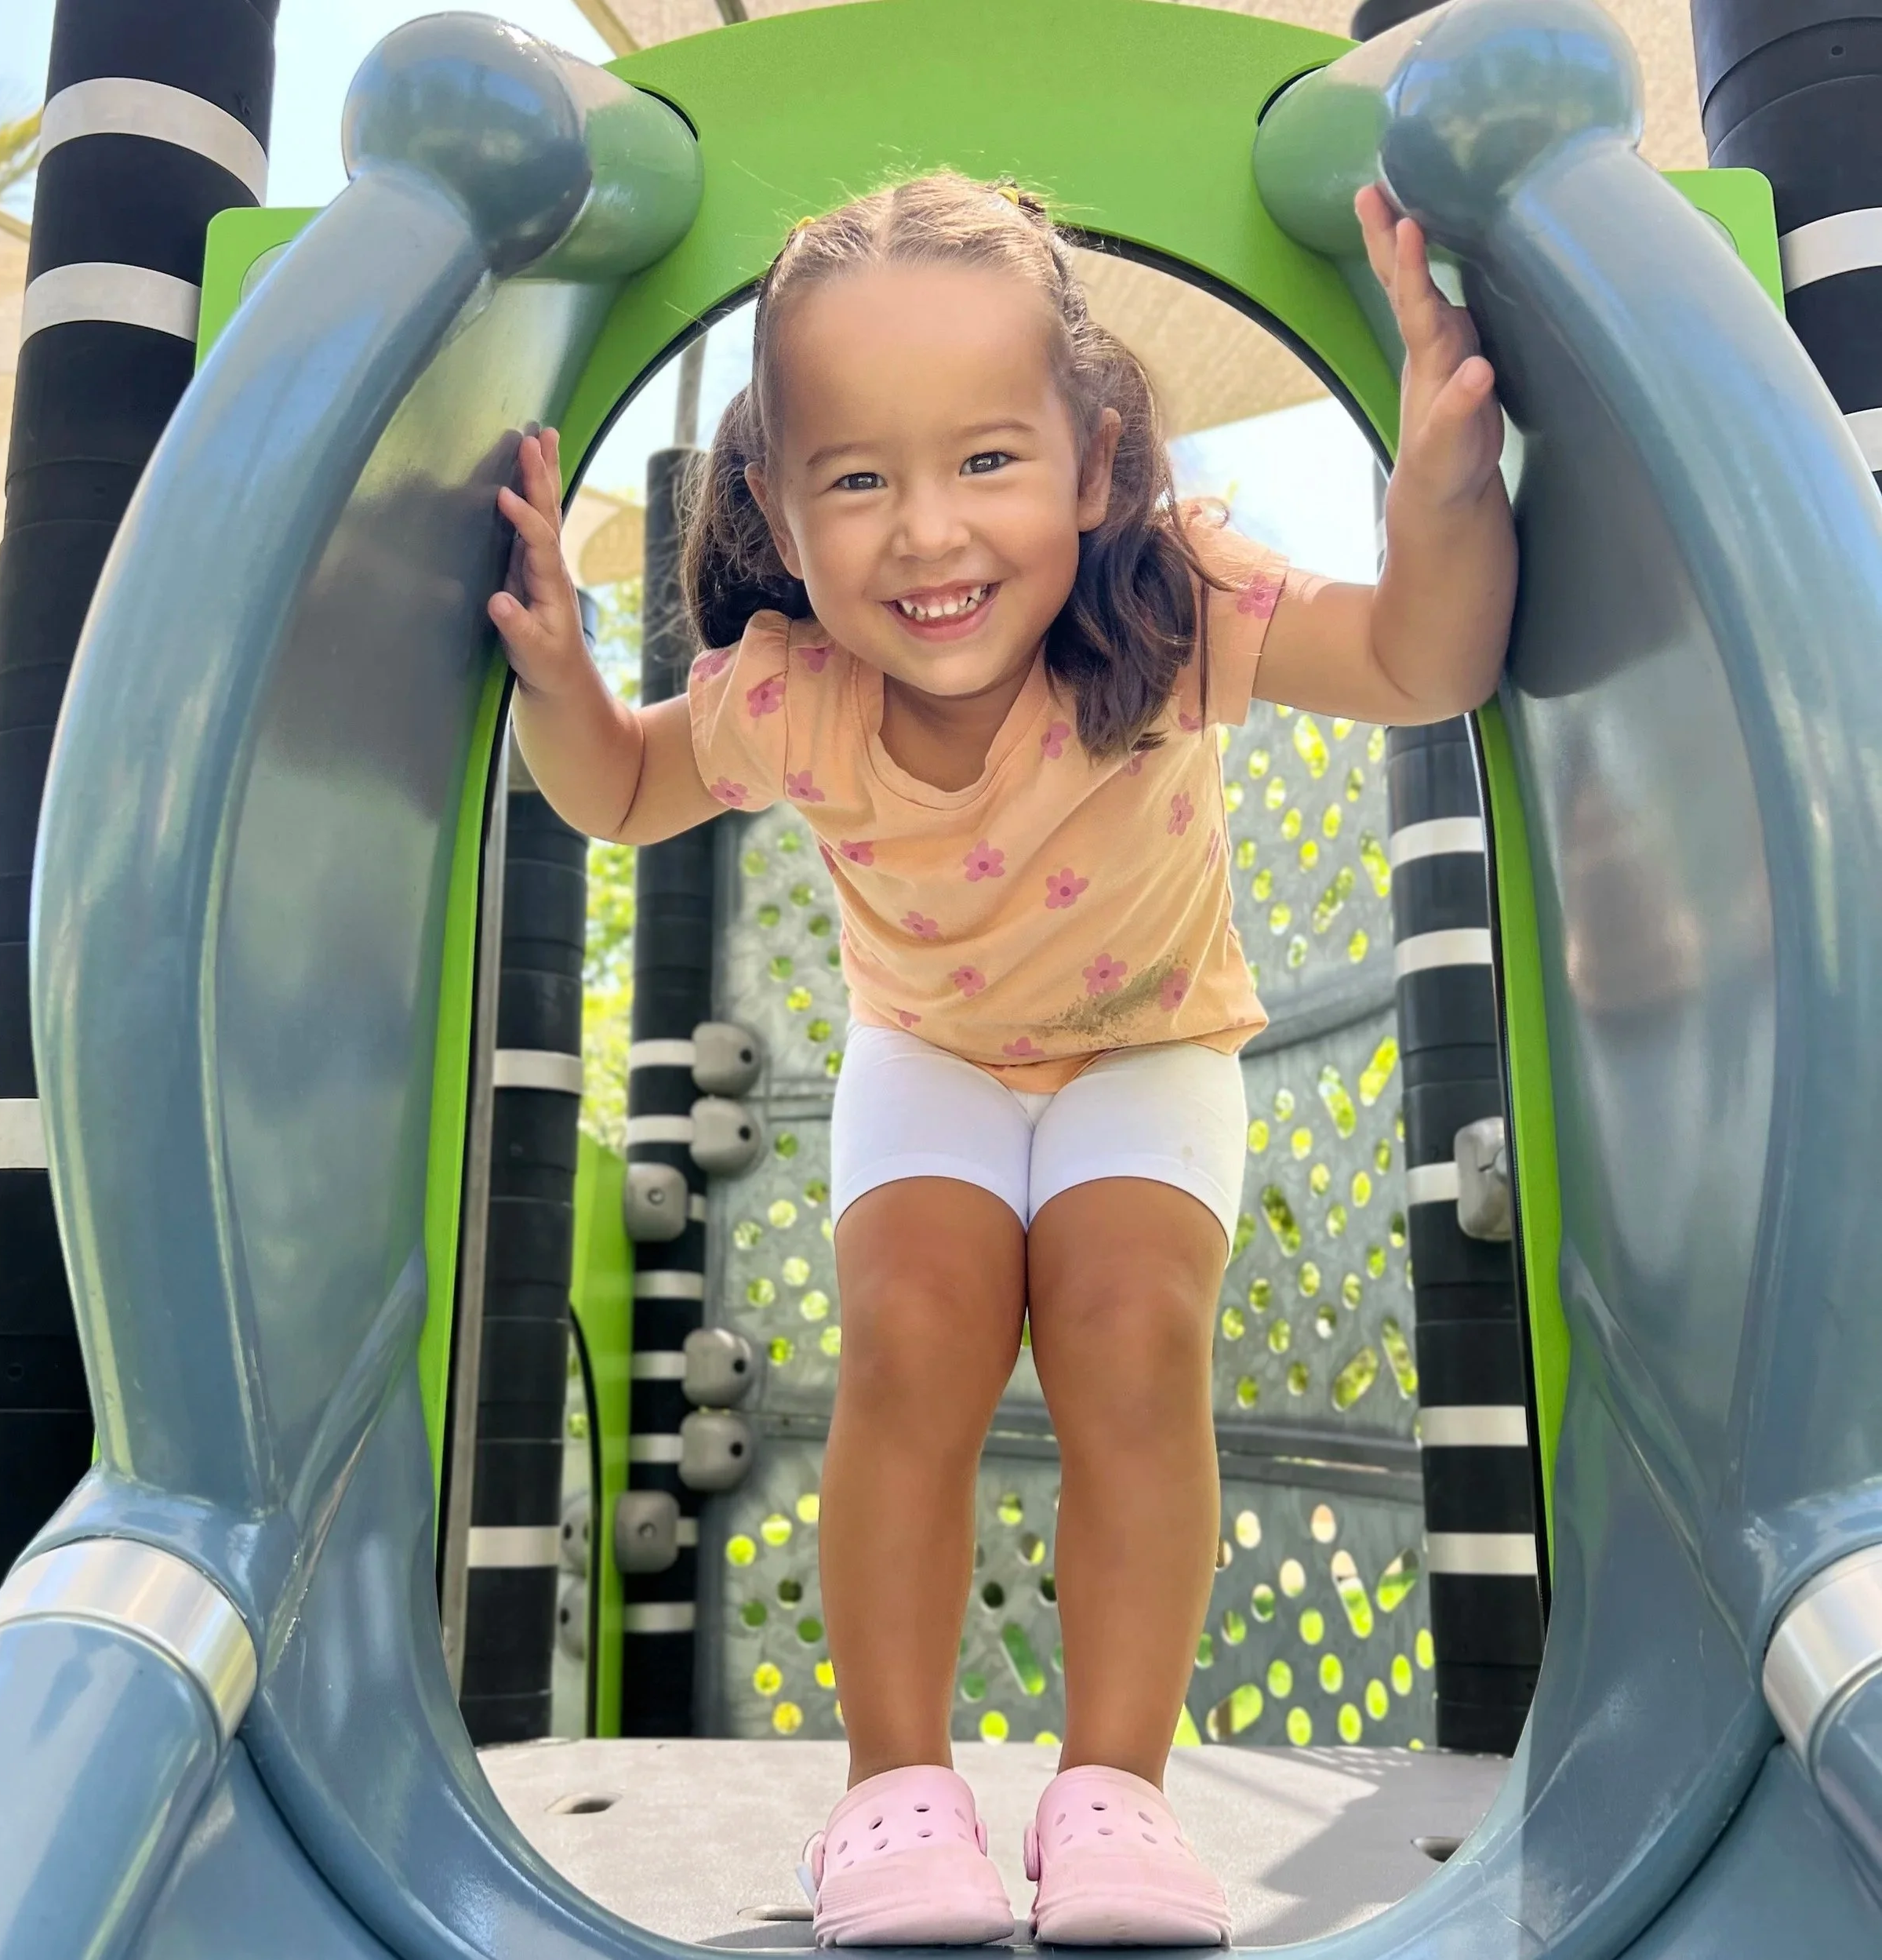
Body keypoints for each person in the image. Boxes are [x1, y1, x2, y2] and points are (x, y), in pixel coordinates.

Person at [492, 171, 1513, 1948]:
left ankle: (1112, 1791)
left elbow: (1425, 661)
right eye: (858, 479)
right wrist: (562, 685)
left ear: (1095, 461)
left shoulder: (1177, 607)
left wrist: (1441, 488)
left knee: (1131, 1340)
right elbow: (628, 790)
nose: (927, 534)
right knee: (909, 1342)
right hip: (934, 1054)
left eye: (985, 460)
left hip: (1148, 1044)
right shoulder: (788, 688)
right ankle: (894, 1796)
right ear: (777, 509)